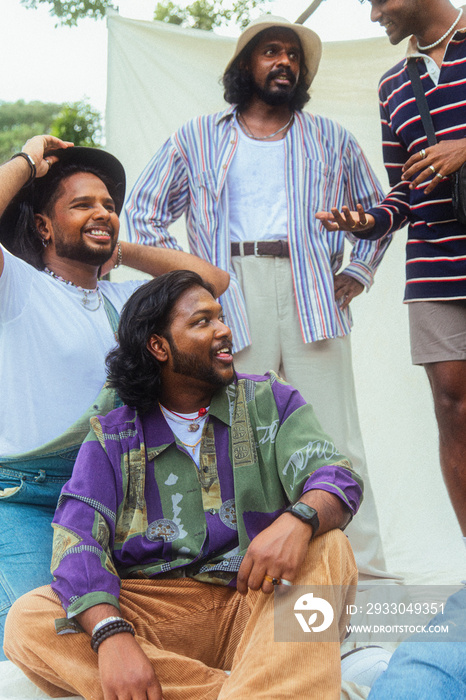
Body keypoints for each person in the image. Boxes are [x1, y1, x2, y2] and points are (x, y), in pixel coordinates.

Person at [5, 269, 362, 700]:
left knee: (328, 546)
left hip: (260, 599)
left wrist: (299, 520)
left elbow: (336, 476)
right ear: (158, 346)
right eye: (202, 321)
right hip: (157, 617)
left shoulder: (269, 400)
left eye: (221, 316)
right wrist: (112, 634)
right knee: (31, 618)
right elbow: (77, 544)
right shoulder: (113, 438)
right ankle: (261, 690)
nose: (225, 330)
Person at [125, 14, 393, 580]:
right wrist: (189, 283)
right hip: (226, 297)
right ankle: (238, 574)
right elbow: (144, 212)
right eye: (271, 52)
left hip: (311, 291)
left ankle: (364, 581)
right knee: (235, 437)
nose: (285, 63)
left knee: (336, 437)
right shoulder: (198, 136)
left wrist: (360, 270)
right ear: (245, 65)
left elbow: (378, 211)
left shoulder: (330, 138)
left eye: (293, 56)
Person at [0, 135, 229, 658]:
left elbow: (211, 284)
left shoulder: (127, 301)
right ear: (43, 226)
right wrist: (26, 161)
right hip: (27, 503)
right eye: (82, 205)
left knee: (126, 639)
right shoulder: (18, 287)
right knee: (47, 640)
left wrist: (115, 246)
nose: (102, 212)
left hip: (113, 503)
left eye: (109, 206)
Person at [317, 0, 466, 541]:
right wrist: (366, 221)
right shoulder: (393, 85)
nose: (374, 13)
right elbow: (404, 185)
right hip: (434, 266)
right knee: (453, 411)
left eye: (379, 0)